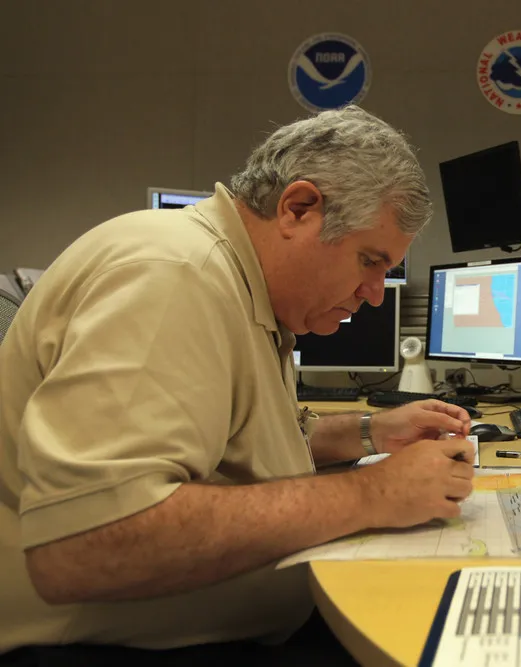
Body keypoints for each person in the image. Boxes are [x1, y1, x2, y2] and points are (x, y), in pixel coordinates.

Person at [0, 105, 474, 665]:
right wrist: (373, 494)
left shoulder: (244, 288)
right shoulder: (176, 274)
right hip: (99, 645)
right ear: (298, 208)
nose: (375, 293)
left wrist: (371, 432)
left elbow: (245, 441)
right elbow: (87, 544)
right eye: (370, 261)